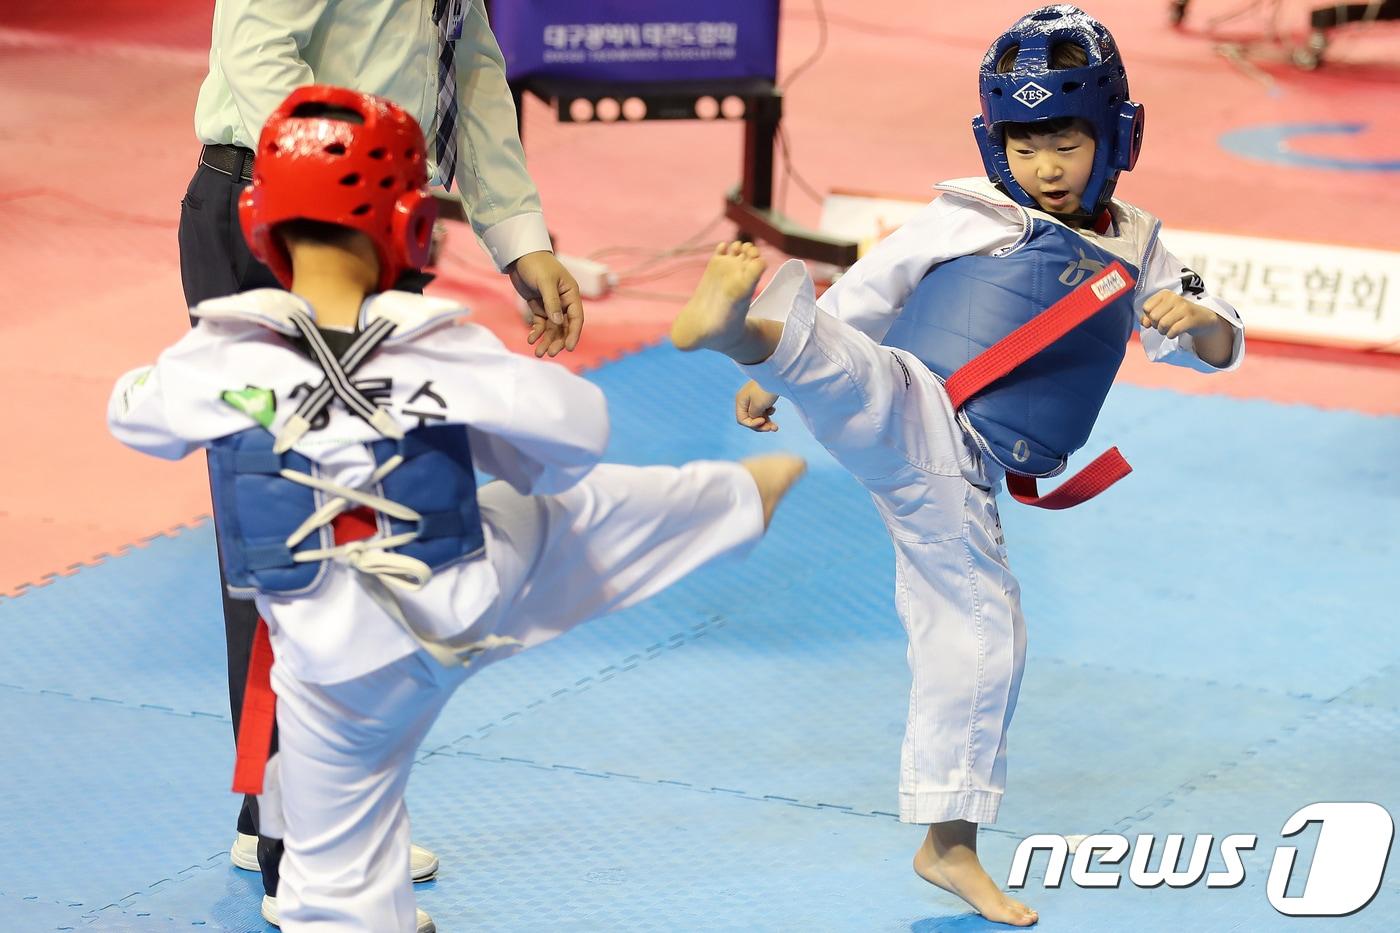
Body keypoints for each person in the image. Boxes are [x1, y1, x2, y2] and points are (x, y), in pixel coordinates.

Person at [116, 85, 805, 931]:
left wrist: (238, 390)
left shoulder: (223, 352)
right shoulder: (435, 341)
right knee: (559, 512)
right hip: (461, 596)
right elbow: (581, 430)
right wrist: (463, 427)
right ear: (413, 227)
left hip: (328, 671)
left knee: (328, 891)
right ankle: (737, 497)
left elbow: (131, 414)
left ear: (260, 222)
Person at [670, 6, 1243, 925]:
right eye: (1024, 146)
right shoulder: (968, 215)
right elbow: (866, 291)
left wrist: (1198, 321)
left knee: (984, 635)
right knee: (861, 378)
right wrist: (775, 375)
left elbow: (1218, 343)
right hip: (918, 397)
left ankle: (947, 844)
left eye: (1064, 141)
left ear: (1116, 136)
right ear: (992, 144)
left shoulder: (1139, 246)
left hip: (963, 473)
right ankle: (747, 331)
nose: (1044, 167)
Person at [177, 0, 583, 909]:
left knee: (369, 532)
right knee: (295, 539)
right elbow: (253, 40)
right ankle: (307, 858)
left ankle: (296, 816)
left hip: (369, 229)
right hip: (281, 222)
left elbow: (465, 66)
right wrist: (325, 200)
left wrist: (523, 241)